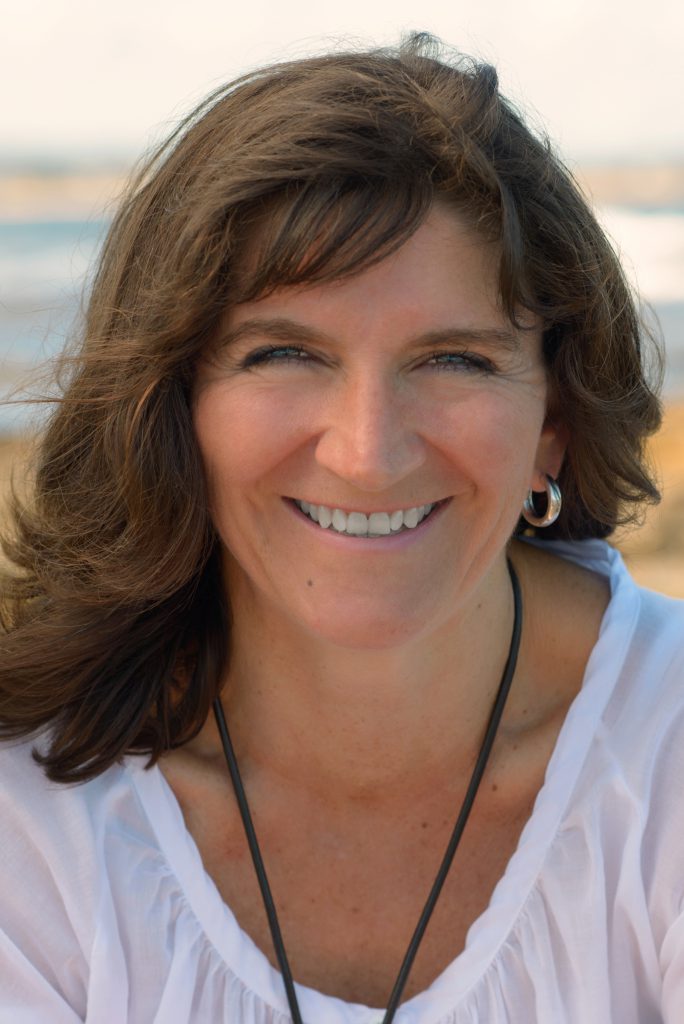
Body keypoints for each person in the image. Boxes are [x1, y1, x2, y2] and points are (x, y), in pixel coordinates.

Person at [0, 32, 682, 1024]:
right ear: (172, 407)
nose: (369, 452)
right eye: (284, 353)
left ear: (555, 425)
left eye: (455, 360)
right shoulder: (33, 812)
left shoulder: (662, 748)